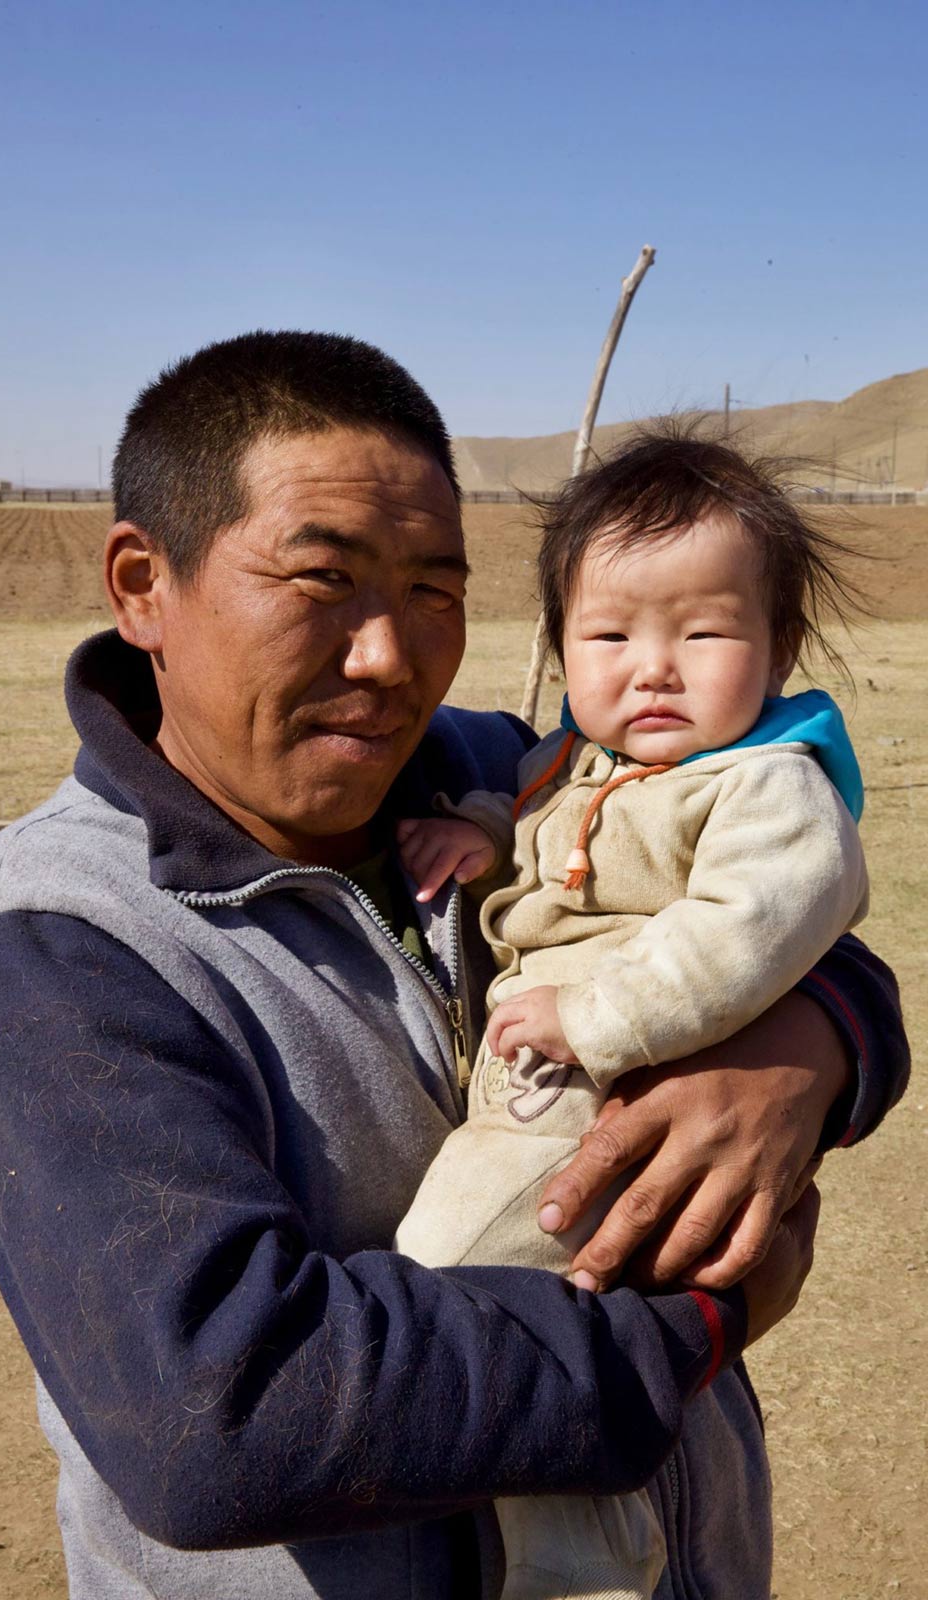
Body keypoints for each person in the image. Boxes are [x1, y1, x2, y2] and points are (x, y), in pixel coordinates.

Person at [0, 332, 908, 1600]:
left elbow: (794, 912)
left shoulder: (503, 765)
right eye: (322, 578)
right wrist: (694, 1327)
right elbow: (227, 1414)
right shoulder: (61, 940)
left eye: (435, 591)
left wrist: (812, 1047)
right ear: (141, 584)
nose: (389, 657)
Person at [394, 429, 870, 1600]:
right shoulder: (579, 759)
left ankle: (586, 1567)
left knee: (443, 1273)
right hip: (547, 1083)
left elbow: (763, 921)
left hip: (605, 1090)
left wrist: (599, 1015)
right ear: (559, 648)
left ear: (778, 649)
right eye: (610, 636)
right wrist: (483, 829)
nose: (653, 668)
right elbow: (550, 833)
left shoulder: (764, 783)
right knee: (542, 1319)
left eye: (702, 633)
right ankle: (581, 1549)